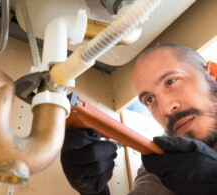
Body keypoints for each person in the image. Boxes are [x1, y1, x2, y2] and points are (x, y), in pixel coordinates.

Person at [60, 44, 217, 195]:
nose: (165, 109)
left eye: (171, 81)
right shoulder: (165, 163)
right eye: (149, 99)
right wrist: (93, 192)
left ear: (214, 75)